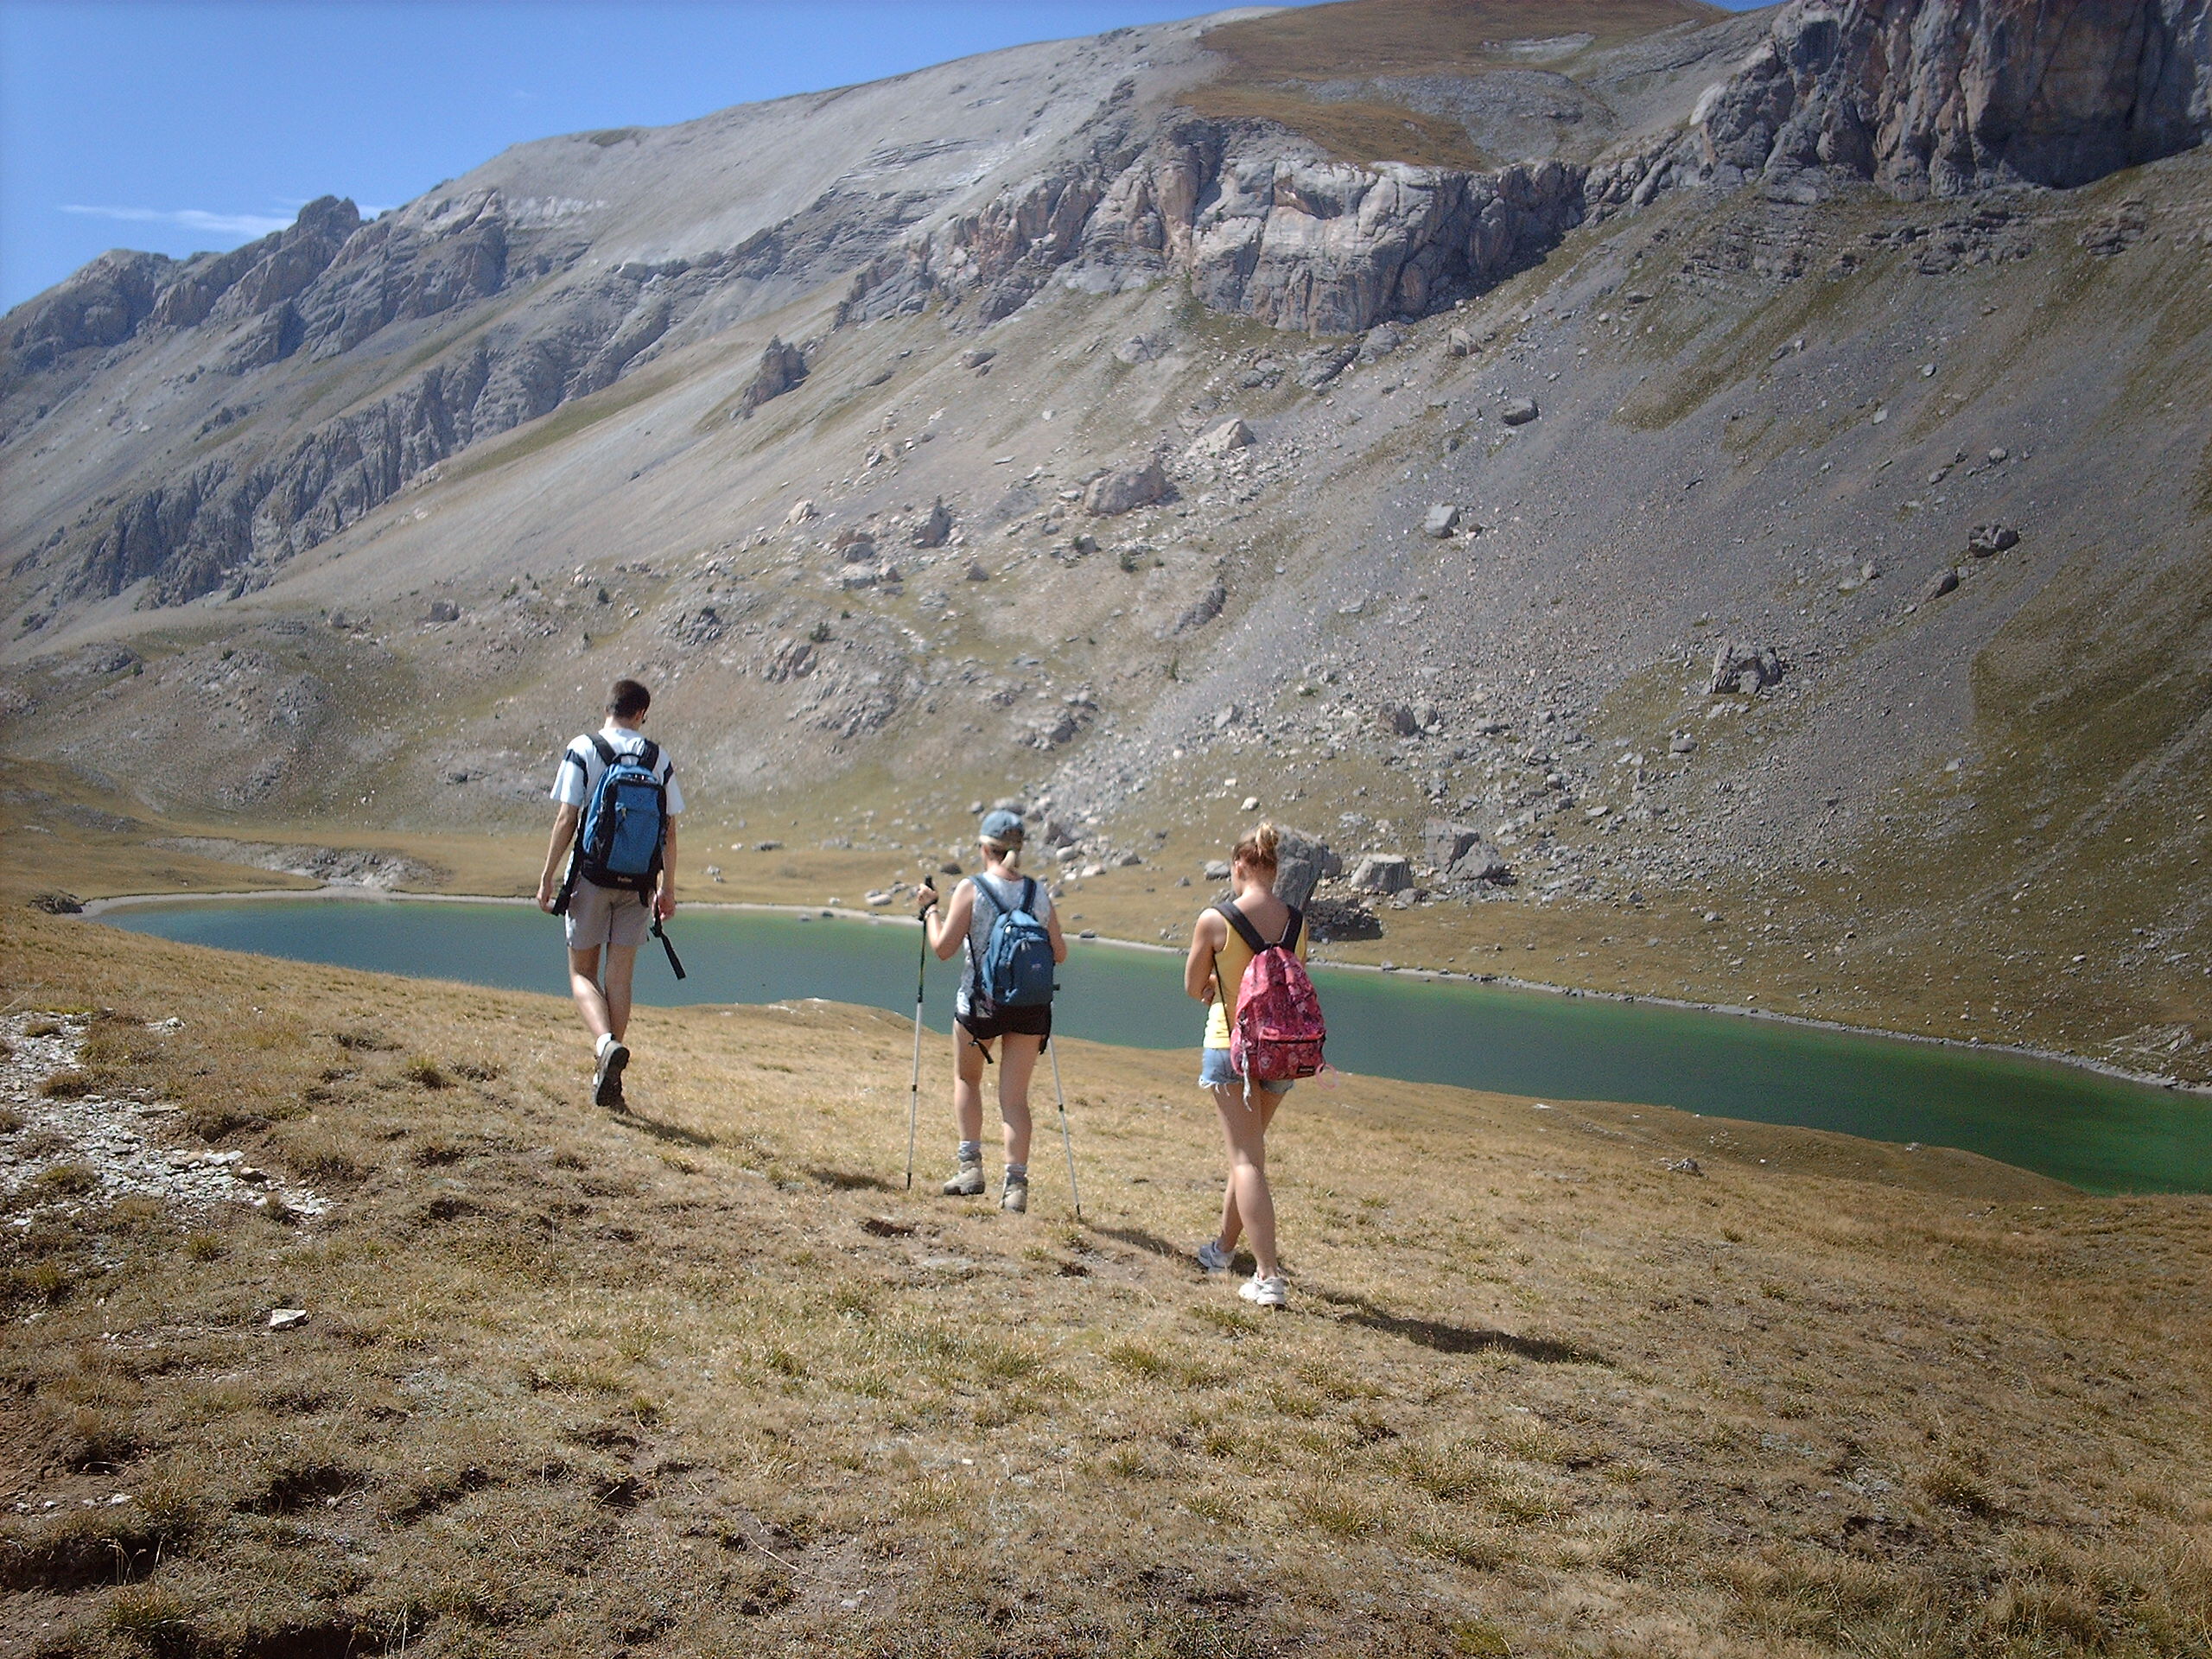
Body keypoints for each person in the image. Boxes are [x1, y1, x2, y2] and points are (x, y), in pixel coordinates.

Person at [537, 677, 682, 1109]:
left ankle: (604, 1045)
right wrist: (667, 888)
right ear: (641, 714)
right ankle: (610, 1078)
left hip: (590, 877)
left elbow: (567, 818)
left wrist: (547, 876)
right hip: (639, 885)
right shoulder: (657, 758)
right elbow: (670, 830)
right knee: (619, 978)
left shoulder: (584, 748)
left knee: (582, 973)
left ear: (608, 708)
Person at [917, 808, 1067, 1212]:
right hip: (1029, 1007)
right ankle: (1015, 1188)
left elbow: (943, 949)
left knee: (967, 1079)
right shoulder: (1037, 892)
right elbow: (1060, 953)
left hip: (979, 1005)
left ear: (985, 848)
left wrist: (930, 910)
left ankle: (970, 1169)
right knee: (1014, 1099)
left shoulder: (972, 889)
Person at [1184, 823, 1304, 1308]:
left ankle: (1268, 1277)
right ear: (1274, 868)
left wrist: (1216, 985)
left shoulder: (1216, 920)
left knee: (1247, 1161)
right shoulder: (1297, 921)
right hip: (1281, 1052)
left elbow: (1193, 987)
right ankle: (1222, 1250)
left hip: (1229, 1045)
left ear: (1238, 865)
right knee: (1249, 1154)